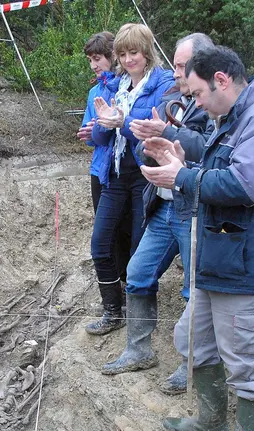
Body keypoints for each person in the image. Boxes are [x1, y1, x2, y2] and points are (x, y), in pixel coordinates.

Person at [141, 45, 254, 430]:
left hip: (249, 263)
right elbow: (218, 174)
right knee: (194, 341)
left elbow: (244, 186)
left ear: (222, 80)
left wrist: (181, 177)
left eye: (196, 94)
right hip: (219, 256)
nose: (195, 102)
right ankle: (211, 423)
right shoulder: (233, 118)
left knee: (248, 363)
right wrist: (182, 162)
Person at [100, 33, 215, 398]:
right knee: (137, 272)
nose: (176, 72)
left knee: (193, 288)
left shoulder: (213, 103)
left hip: (194, 206)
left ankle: (191, 363)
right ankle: (139, 350)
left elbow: (210, 150)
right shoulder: (171, 98)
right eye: (177, 65)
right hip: (164, 204)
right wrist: (141, 135)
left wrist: (167, 134)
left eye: (183, 66)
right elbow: (148, 147)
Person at [84, 23, 174, 335]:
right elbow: (98, 136)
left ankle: (140, 322)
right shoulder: (116, 85)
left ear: (147, 52)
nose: (127, 59)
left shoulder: (162, 83)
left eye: (133, 52)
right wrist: (104, 123)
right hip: (115, 174)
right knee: (100, 243)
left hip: (146, 176)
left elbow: (152, 128)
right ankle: (113, 310)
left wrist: (122, 121)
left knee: (139, 251)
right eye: (122, 54)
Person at [77, 32, 133, 284]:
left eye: (97, 58)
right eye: (90, 60)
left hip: (124, 169)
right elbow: (90, 136)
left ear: (112, 56)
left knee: (126, 228)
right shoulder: (94, 92)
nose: (94, 65)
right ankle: (113, 282)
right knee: (105, 231)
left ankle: (127, 277)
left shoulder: (127, 86)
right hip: (99, 169)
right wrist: (90, 133)